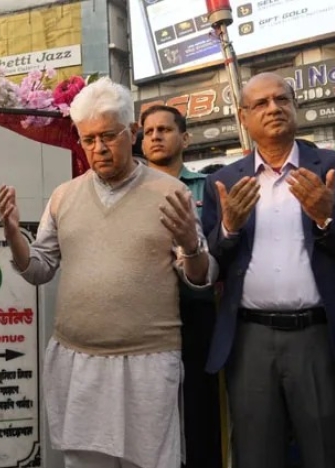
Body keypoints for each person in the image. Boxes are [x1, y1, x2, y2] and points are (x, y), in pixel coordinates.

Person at [0, 77, 216, 468]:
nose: (98, 149)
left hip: (147, 363)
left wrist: (192, 244)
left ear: (131, 133)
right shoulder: (64, 196)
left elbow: (198, 277)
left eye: (109, 136)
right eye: (88, 139)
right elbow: (39, 269)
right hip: (77, 361)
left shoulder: (170, 192)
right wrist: (15, 237)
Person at [202, 72, 335, 468]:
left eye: (281, 99)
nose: (273, 108)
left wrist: (328, 218)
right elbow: (211, 265)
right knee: (256, 455)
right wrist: (228, 229)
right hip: (249, 339)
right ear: (243, 117)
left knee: (329, 453)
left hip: (321, 339)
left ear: (295, 106)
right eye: (261, 103)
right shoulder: (223, 183)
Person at [140, 104, 222, 468]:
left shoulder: (208, 188)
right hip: (145, 318)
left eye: (165, 129)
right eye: (148, 132)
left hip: (199, 314)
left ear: (185, 137)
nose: (156, 136)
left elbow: (221, 248)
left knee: (201, 414)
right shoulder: (131, 191)